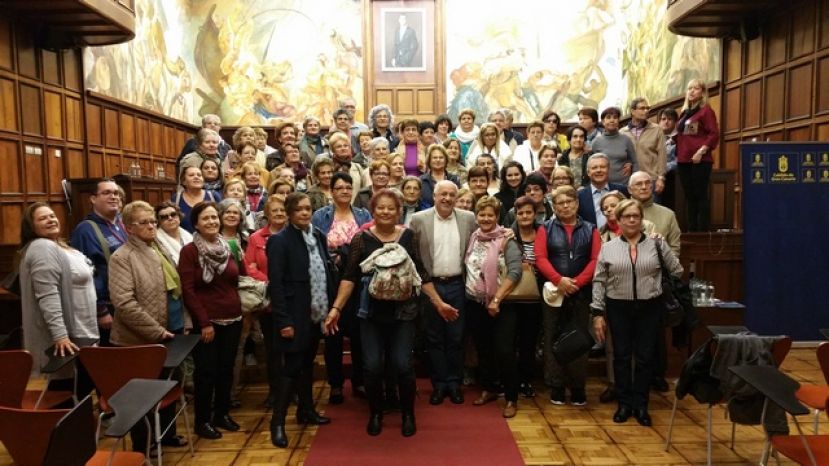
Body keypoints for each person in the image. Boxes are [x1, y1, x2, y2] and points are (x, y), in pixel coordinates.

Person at [325, 189, 432, 436]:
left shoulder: (409, 236)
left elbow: (421, 274)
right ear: (373, 212)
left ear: (399, 211)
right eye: (380, 208)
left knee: (403, 365)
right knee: (372, 366)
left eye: (391, 208)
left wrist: (438, 302)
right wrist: (336, 308)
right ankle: (375, 413)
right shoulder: (360, 240)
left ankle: (408, 414)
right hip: (370, 313)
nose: (385, 212)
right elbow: (349, 277)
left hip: (403, 313)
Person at [591, 199, 683, 426]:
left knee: (644, 357)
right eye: (627, 216)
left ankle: (641, 404)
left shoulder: (656, 244)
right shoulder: (608, 247)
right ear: (618, 220)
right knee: (621, 357)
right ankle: (624, 404)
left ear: (642, 219)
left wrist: (664, 247)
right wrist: (597, 313)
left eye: (636, 216)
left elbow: (677, 270)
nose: (632, 220)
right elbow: (599, 281)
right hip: (618, 307)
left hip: (649, 307)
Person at [108, 201, 186, 451]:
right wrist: (155, 330)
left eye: (153, 221)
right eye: (145, 222)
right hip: (137, 340)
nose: (152, 226)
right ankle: (144, 448)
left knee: (168, 385)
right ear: (128, 227)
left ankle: (167, 435)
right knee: (141, 397)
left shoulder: (158, 247)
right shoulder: (122, 257)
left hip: (167, 330)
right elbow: (124, 303)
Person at [267, 193, 337, 447]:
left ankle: (305, 411)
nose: (305, 213)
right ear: (289, 213)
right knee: (291, 367)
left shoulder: (317, 235)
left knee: (307, 364)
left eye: (308, 208)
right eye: (298, 210)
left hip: (316, 313)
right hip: (293, 315)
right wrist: (283, 321)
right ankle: (277, 421)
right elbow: (276, 284)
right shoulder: (279, 241)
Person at [178, 201, 244, 440]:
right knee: (206, 373)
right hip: (207, 322)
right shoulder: (189, 251)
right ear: (196, 223)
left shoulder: (227, 246)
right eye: (206, 218)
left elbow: (236, 279)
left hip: (233, 317)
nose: (212, 222)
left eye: (215, 217)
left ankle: (222, 414)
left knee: (226, 370)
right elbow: (188, 290)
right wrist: (204, 322)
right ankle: (202, 421)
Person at [409, 181, 477, 405]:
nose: (447, 198)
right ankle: (439, 384)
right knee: (434, 337)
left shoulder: (467, 218)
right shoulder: (419, 219)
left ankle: (454, 383)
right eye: (443, 194)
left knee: (457, 337)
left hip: (458, 284)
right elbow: (414, 254)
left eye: (451, 195)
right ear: (435, 196)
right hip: (431, 285)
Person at [20, 202, 99, 390]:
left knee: (81, 392)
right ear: (31, 227)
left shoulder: (57, 246)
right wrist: (61, 335)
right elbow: (48, 296)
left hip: (82, 330)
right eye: (42, 218)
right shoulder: (42, 248)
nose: (50, 219)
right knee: (68, 395)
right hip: (68, 337)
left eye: (52, 216)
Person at [535, 186, 600, 406]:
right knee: (553, 338)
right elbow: (540, 258)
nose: (565, 206)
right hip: (554, 293)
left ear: (577, 204)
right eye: (560, 203)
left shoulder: (591, 229)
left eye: (569, 202)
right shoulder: (545, 228)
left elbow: (595, 260)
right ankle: (556, 386)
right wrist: (559, 280)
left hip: (580, 294)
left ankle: (578, 387)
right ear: (554, 206)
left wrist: (577, 282)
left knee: (579, 340)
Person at [312, 172, 373, 404]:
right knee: (333, 337)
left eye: (348, 187)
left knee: (359, 336)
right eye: (339, 188)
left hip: (358, 282)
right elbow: (317, 246)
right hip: (331, 281)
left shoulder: (363, 214)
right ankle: (336, 385)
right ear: (332, 191)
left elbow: (367, 244)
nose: (345, 191)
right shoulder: (321, 216)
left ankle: (359, 382)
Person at [464, 196, 522, 418]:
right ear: (477, 216)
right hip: (475, 303)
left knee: (505, 351)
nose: (486, 218)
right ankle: (488, 388)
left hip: (502, 305)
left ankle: (511, 398)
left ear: (497, 217)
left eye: (490, 215)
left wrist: (496, 299)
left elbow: (515, 272)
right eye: (482, 214)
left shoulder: (507, 239)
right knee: (484, 348)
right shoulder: (474, 237)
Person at [71, 178, 127, 347]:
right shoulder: (85, 230)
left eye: (116, 193)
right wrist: (100, 310)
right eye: (106, 193)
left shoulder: (123, 224)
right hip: (107, 307)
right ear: (93, 199)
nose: (113, 197)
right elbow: (87, 273)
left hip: (126, 303)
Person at [243, 195, 288, 407]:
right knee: (272, 350)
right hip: (269, 300)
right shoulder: (256, 238)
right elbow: (249, 267)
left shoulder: (294, 235)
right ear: (267, 215)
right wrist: (270, 281)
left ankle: (294, 391)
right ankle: (275, 392)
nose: (279, 214)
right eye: (275, 211)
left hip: (291, 299)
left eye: (283, 210)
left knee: (292, 349)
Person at [676, 79, 719, 231]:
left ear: (702, 92)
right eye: (689, 88)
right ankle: (692, 229)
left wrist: (701, 151)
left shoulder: (706, 110)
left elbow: (714, 134)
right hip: (683, 159)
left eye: (696, 88)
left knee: (700, 195)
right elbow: (684, 134)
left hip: (700, 159)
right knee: (689, 196)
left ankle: (702, 231)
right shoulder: (685, 112)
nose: (692, 91)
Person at [511, 196, 543, 398]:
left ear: (535, 214)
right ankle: (511, 379)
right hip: (512, 295)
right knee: (510, 341)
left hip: (537, 295)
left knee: (529, 341)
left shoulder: (544, 233)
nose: (524, 216)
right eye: (520, 213)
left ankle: (526, 380)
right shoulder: (508, 234)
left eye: (528, 212)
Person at [620, 98, 668, 200]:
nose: (646, 111)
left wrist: (661, 178)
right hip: (630, 181)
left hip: (651, 179)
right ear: (633, 111)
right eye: (642, 108)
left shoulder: (656, 129)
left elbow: (662, 155)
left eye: (647, 108)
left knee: (653, 212)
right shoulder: (622, 132)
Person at [628, 171, 681, 255]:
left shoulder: (668, 214)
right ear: (630, 189)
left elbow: (674, 248)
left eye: (647, 183)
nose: (644, 187)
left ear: (652, 187)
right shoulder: (620, 213)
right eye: (639, 184)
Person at [576, 154, 628, 230]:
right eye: (594, 168)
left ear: (609, 170)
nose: (599, 170)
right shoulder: (579, 196)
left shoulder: (622, 190)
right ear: (588, 172)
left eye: (602, 167)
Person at [591, 107, 638, 185]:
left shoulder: (626, 139)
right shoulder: (596, 142)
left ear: (618, 121)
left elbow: (635, 162)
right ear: (603, 121)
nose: (612, 120)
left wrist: (634, 180)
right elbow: (592, 165)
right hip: (604, 185)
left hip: (625, 184)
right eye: (608, 117)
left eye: (615, 117)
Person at [173, 166, 221, 233]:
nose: (196, 177)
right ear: (183, 181)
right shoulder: (176, 199)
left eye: (199, 175)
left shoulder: (213, 196)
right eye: (191, 175)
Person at [330, 132, 368, 202]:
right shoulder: (329, 168)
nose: (343, 148)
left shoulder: (357, 167)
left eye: (346, 146)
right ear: (333, 150)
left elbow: (364, 190)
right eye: (339, 146)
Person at [420, 144, 461, 210]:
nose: (438, 160)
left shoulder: (454, 180)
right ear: (429, 161)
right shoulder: (421, 181)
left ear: (446, 160)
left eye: (441, 157)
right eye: (435, 158)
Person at [495, 161, 526, 225]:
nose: (513, 178)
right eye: (509, 175)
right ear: (504, 177)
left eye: (516, 174)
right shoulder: (497, 198)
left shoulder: (528, 194)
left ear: (522, 175)